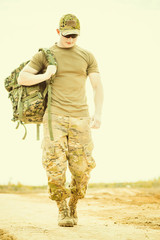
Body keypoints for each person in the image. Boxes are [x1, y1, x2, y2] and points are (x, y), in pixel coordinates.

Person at [18, 13, 104, 227]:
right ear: (58, 32)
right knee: (54, 167)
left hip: (81, 118)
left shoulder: (87, 56)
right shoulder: (45, 55)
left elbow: (97, 85)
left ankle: (74, 203)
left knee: (82, 169)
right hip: (54, 119)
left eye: (74, 36)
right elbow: (23, 78)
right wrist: (46, 75)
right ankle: (62, 209)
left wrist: (98, 113)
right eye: (66, 35)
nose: (70, 39)